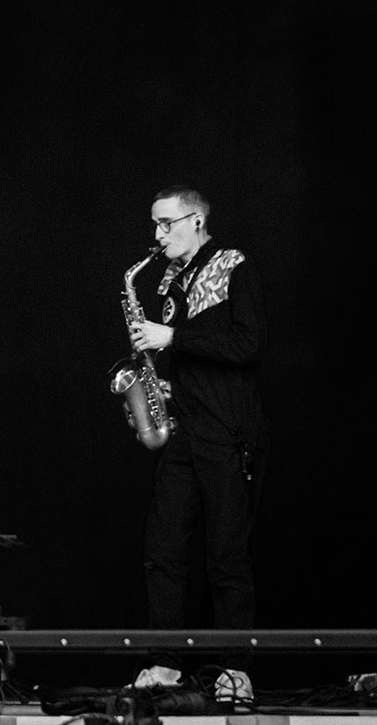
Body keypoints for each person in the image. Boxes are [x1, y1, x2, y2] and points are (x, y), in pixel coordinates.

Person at [126, 186, 267, 704]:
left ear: (198, 221)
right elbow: (192, 358)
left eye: (167, 224)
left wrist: (172, 339)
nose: (158, 235)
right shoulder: (168, 278)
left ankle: (236, 670)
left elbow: (247, 345)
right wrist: (162, 386)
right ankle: (164, 662)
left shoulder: (233, 264)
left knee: (227, 556)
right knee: (162, 550)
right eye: (156, 225)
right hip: (184, 429)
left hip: (228, 432)